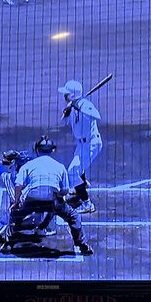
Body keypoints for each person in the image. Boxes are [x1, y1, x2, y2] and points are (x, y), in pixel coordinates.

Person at [4, 136, 92, 256]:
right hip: (51, 198)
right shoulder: (60, 166)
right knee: (73, 216)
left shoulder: (29, 165)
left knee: (16, 215)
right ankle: (83, 246)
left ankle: (8, 244)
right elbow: (65, 190)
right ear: (52, 150)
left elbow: (18, 185)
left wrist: (16, 202)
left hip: (32, 198)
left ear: (37, 149)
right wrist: (57, 197)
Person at [59, 79, 102, 213]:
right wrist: (68, 111)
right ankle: (82, 185)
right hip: (81, 144)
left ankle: (87, 203)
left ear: (72, 95)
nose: (64, 96)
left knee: (72, 171)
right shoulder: (72, 105)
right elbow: (63, 122)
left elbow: (97, 116)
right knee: (77, 167)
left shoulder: (85, 105)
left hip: (91, 144)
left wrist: (80, 107)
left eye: (66, 94)